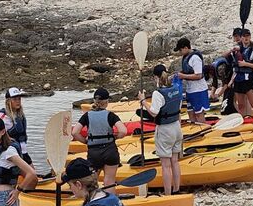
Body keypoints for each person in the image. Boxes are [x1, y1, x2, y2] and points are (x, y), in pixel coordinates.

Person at [138, 66, 183, 195]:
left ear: (155, 77)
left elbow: (154, 112)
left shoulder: (158, 93)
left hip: (165, 130)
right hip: (176, 127)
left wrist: (143, 101)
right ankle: (177, 189)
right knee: (175, 161)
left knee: (166, 165)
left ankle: (168, 194)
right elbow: (179, 109)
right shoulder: (176, 88)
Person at [72, 88, 127, 192]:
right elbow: (123, 131)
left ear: (94, 101)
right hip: (110, 151)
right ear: (107, 102)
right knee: (109, 182)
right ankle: (110, 200)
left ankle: (93, 199)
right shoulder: (111, 115)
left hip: (94, 153)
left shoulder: (87, 116)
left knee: (92, 182)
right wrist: (115, 137)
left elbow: (74, 132)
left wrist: (85, 141)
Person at [225, 29, 253, 118]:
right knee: (241, 105)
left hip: (249, 79)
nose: (246, 38)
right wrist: (231, 50)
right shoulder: (237, 50)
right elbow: (224, 56)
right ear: (241, 38)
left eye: (247, 36)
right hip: (238, 79)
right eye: (244, 36)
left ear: (250, 37)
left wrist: (246, 64)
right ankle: (243, 120)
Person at [0, 87, 34, 169]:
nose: (18, 101)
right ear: (8, 101)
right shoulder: (3, 116)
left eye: (19, 99)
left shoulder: (19, 115)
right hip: (11, 154)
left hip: (23, 152)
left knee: (33, 173)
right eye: (15, 99)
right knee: (31, 174)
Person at [175, 37, 210, 124]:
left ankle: (203, 128)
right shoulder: (186, 57)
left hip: (198, 90)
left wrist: (183, 76)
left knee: (199, 113)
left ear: (186, 48)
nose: (180, 52)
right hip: (190, 90)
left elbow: (198, 75)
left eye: (180, 50)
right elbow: (188, 71)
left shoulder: (195, 58)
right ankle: (194, 128)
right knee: (191, 112)